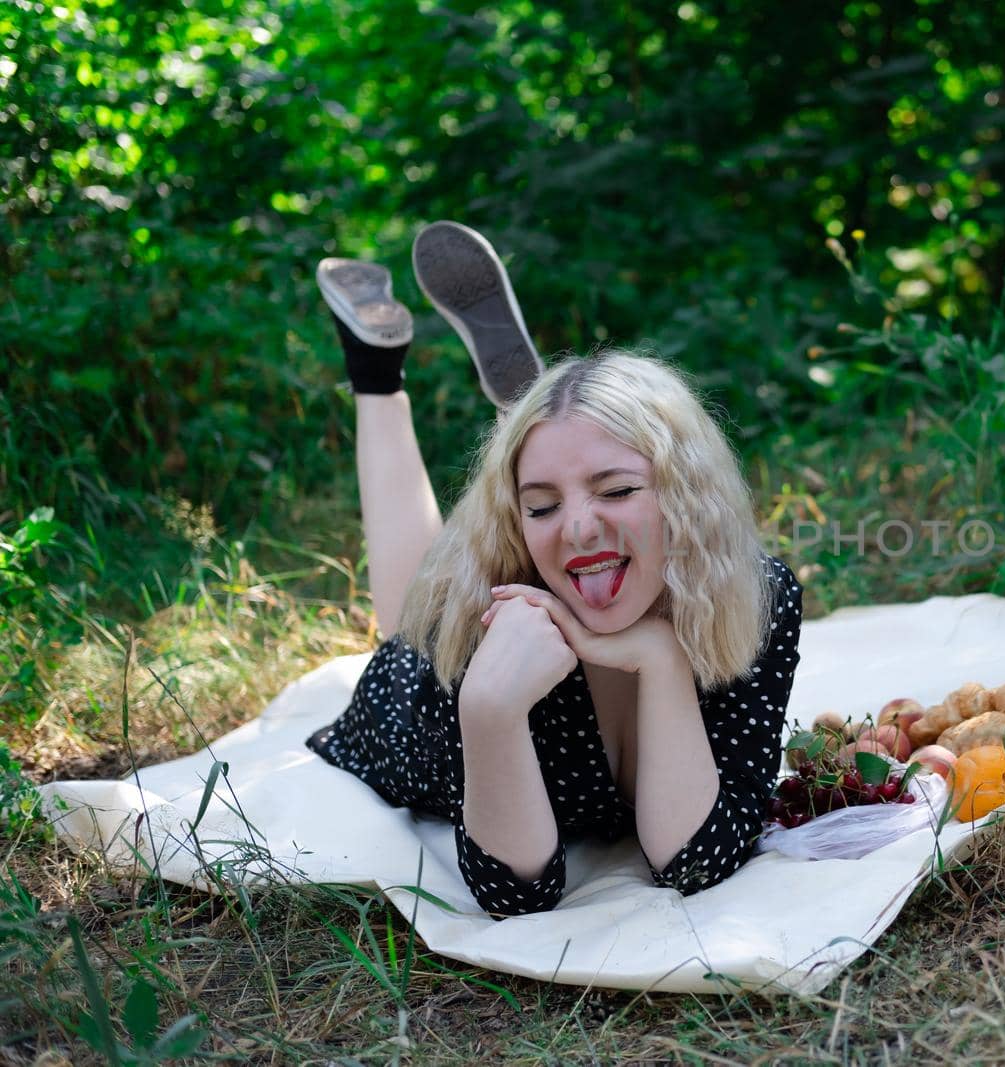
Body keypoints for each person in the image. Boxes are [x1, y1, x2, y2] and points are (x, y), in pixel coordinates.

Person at [305, 221, 804, 917]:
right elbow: (516, 896)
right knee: (413, 619)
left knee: (549, 503)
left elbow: (696, 858)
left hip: (579, 577)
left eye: (619, 489)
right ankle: (376, 373)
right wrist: (488, 708)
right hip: (416, 699)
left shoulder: (752, 594)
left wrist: (659, 656)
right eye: (539, 506)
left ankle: (541, 426)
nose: (575, 527)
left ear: (688, 497)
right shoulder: (492, 617)